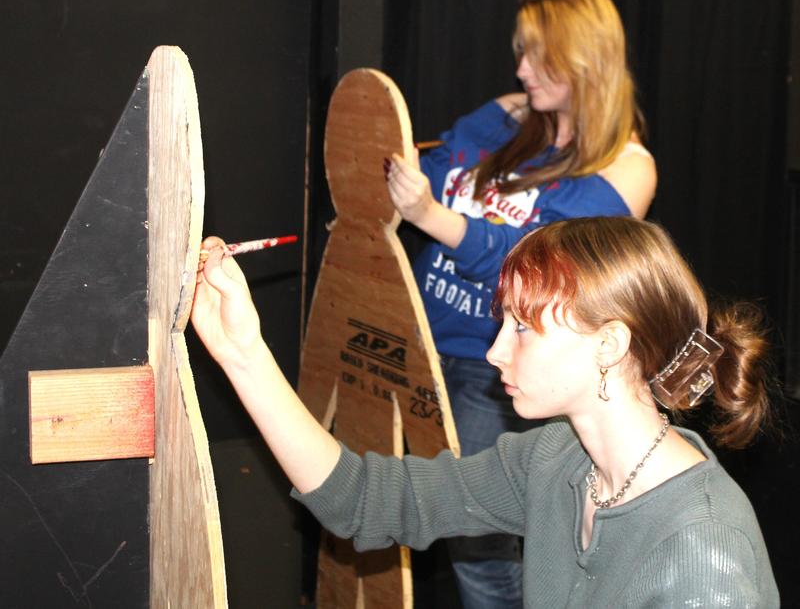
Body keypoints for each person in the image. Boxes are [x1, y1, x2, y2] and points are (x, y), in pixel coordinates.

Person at [191, 216, 779, 608]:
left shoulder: (704, 548)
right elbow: (364, 498)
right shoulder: (557, 458)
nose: (495, 350)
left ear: (610, 344)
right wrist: (242, 352)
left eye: (522, 328)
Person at [384, 0, 656, 606]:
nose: (522, 68)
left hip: (498, 373)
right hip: (422, 345)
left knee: (480, 549)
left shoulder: (627, 168)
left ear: (584, 60)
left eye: (538, 55)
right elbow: (431, 168)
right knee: (403, 506)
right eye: (521, 51)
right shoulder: (506, 116)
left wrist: (431, 217)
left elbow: (543, 270)